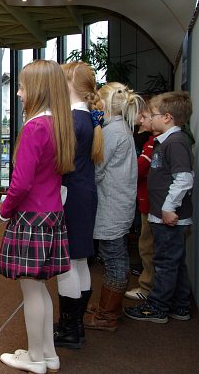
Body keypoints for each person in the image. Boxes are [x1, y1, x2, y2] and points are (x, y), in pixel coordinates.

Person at [0, 60, 75, 374]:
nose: (18, 93)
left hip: (31, 217)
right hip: (52, 214)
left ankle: (34, 358)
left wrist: (4, 209)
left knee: (31, 291)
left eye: (22, 87)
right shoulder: (59, 124)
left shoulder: (35, 127)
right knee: (41, 288)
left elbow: (21, 182)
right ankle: (47, 354)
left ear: (38, 89)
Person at [124, 91, 194, 323]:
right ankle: (180, 305)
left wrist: (168, 208)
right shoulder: (166, 141)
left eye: (152, 115)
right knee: (175, 262)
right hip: (162, 214)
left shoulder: (175, 143)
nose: (148, 119)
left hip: (168, 216)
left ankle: (158, 307)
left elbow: (184, 178)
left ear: (167, 117)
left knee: (164, 263)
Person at [83, 82, 143, 332]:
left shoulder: (111, 133)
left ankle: (107, 315)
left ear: (104, 105)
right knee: (117, 257)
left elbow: (97, 170)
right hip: (120, 204)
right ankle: (110, 307)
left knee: (114, 259)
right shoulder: (122, 129)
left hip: (112, 206)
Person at [53, 62, 103, 349]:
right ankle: (76, 325)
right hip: (84, 194)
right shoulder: (87, 118)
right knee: (79, 261)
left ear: (70, 83)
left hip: (71, 196)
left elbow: (60, 163)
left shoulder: (73, 120)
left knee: (68, 264)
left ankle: (69, 329)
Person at [125, 105, 158, 301]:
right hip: (149, 203)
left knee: (147, 247)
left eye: (145, 117)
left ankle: (147, 288)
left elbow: (139, 168)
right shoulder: (152, 141)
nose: (142, 120)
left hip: (151, 204)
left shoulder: (153, 143)